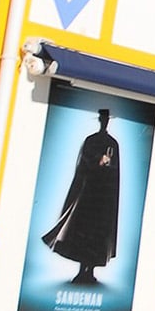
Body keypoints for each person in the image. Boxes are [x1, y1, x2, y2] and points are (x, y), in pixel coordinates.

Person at [40, 108, 122, 285]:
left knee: (97, 234)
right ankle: (81, 270)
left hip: (104, 196)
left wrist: (108, 165)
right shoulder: (91, 141)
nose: (104, 122)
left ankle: (90, 270)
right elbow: (83, 163)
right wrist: (97, 162)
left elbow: (116, 172)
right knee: (83, 230)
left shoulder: (112, 143)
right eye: (103, 119)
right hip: (88, 194)